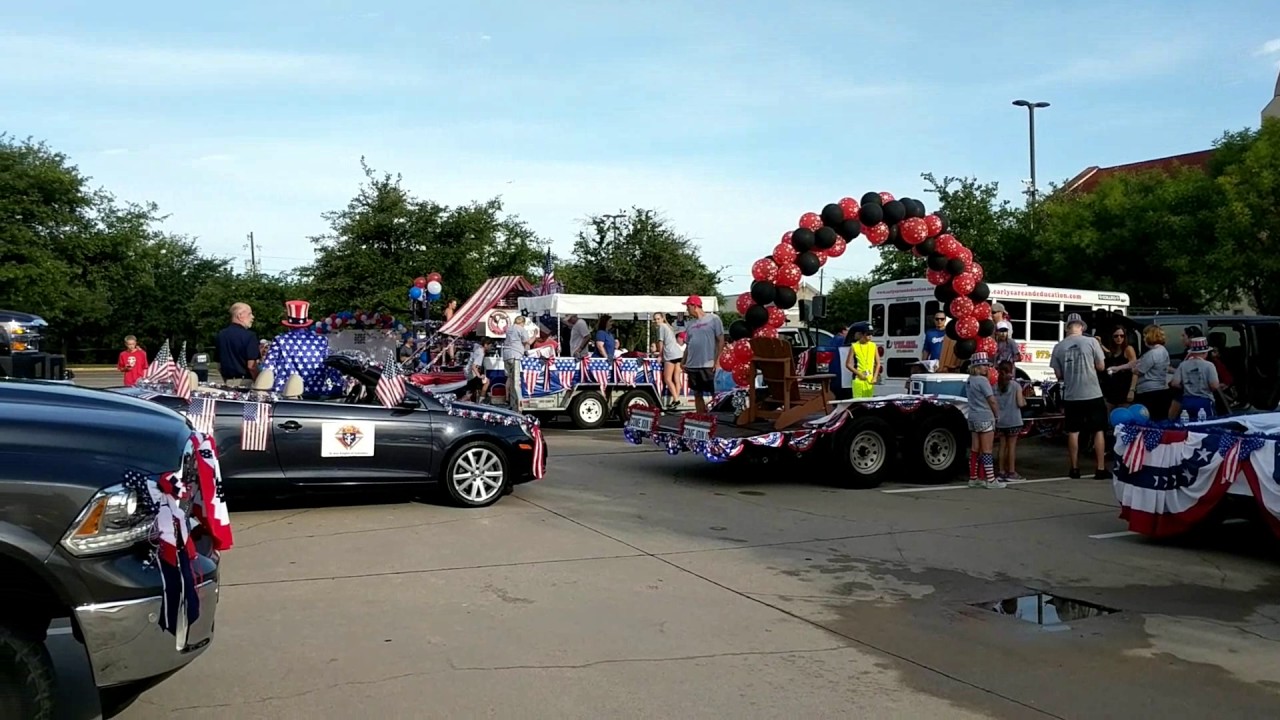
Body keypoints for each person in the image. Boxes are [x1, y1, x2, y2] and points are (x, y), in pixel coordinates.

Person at [1049, 313, 1109, 480]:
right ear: (1082, 327)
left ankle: (1074, 468)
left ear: (1067, 327)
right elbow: (1101, 366)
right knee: (1098, 430)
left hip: (1072, 394)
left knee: (1073, 431)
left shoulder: (1059, 347)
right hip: (1092, 392)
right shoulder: (1091, 342)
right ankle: (1100, 468)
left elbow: (1058, 374)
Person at [259, 300, 344, 397]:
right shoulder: (322, 341)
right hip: (315, 392)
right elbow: (333, 367)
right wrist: (337, 389)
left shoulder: (280, 340)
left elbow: (268, 367)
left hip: (286, 394)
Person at [1113, 325, 1173, 421]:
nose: (1144, 339)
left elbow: (1138, 370)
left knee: (1149, 420)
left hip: (1150, 393)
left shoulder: (1152, 354)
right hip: (1161, 390)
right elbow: (1136, 362)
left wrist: (1132, 388)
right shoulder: (1162, 350)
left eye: (1145, 336)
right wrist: (1119, 368)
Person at [965, 352, 1003, 489]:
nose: (987, 368)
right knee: (987, 450)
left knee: (975, 449)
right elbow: (991, 400)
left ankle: (973, 477)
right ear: (977, 366)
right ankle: (991, 480)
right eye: (984, 365)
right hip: (985, 416)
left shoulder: (969, 380)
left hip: (973, 416)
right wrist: (997, 414)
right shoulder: (982, 381)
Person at [681, 295, 724, 413]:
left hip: (708, 363)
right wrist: (683, 361)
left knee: (713, 392)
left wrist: (718, 360)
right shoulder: (690, 324)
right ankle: (701, 416)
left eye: (688, 307)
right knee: (697, 393)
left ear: (695, 306)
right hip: (692, 364)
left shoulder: (713, 319)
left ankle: (717, 417)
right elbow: (688, 344)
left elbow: (721, 340)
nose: (687, 310)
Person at [1170, 337, 1220, 420]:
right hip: (1204, 401)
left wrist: (1186, 387)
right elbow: (1214, 386)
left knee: (1187, 426)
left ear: (1192, 353)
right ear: (1205, 353)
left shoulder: (1183, 365)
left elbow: (1174, 383)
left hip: (1187, 401)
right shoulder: (1209, 365)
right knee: (1207, 426)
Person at [994, 360, 1026, 481]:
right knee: (1011, 446)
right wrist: (1025, 401)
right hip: (1014, 420)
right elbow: (1020, 403)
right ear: (1011, 370)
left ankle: (1001, 472)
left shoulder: (995, 386)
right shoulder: (1015, 385)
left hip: (1000, 421)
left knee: (1002, 446)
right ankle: (1011, 472)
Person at [215, 302, 259, 387]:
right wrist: (258, 380)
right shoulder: (250, 336)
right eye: (250, 314)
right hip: (246, 383)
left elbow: (219, 365)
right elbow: (251, 366)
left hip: (228, 382)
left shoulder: (221, 335)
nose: (253, 317)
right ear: (240, 315)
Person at [1101, 326, 1138, 412]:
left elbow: (1135, 370)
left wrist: (1132, 390)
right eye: (1116, 336)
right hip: (1111, 390)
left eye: (1122, 336)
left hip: (1124, 389)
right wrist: (1100, 344)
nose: (1119, 338)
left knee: (1124, 417)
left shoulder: (1128, 349)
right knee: (1110, 419)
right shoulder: (1112, 350)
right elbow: (1108, 354)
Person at [653, 313, 684, 409]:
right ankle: (676, 399)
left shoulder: (661, 327)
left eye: (658, 319)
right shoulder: (668, 327)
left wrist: (660, 355)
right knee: (676, 378)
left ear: (662, 319)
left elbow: (661, 342)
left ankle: (676, 399)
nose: (656, 321)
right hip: (678, 353)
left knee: (667, 378)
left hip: (670, 354)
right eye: (655, 319)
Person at [502, 315, 531, 410]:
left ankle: (507, 397)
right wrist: (534, 336)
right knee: (516, 379)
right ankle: (516, 401)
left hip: (506, 354)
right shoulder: (521, 329)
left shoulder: (509, 328)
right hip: (516, 354)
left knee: (509, 377)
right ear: (522, 322)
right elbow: (527, 342)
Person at [845, 322, 879, 398]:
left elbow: (878, 363)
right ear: (862, 334)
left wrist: (875, 377)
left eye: (871, 334)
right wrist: (859, 373)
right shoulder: (854, 346)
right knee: (858, 401)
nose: (870, 337)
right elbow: (848, 364)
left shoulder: (873, 346)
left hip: (869, 378)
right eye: (868, 334)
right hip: (858, 378)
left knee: (869, 402)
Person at [462, 336, 491, 402]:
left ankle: (481, 400)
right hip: (472, 374)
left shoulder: (479, 349)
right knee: (486, 382)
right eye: (490, 345)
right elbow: (474, 366)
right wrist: (479, 376)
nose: (490, 347)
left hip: (470, 373)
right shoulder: (481, 353)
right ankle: (481, 402)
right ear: (486, 345)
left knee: (470, 392)